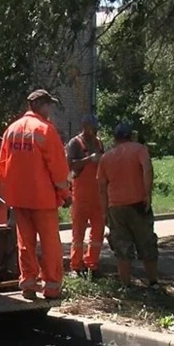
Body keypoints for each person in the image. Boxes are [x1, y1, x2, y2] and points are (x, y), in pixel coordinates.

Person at [0, 89, 71, 300]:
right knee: (50, 244)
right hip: (42, 198)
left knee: (24, 242)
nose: (51, 111)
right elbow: (57, 169)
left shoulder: (11, 130)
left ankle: (28, 284)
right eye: (50, 106)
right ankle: (51, 287)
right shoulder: (45, 130)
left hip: (19, 199)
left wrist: (11, 191)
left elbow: (2, 166)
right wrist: (65, 194)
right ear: (42, 105)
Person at [96, 123, 159, 288]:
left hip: (115, 207)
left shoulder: (106, 157)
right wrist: (148, 194)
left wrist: (104, 213)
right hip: (138, 204)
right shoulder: (139, 149)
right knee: (146, 244)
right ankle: (153, 283)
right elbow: (147, 169)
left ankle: (126, 285)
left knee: (122, 248)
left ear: (115, 138)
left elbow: (102, 188)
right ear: (131, 136)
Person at [66, 113, 105, 277]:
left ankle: (92, 264)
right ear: (84, 126)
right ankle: (76, 265)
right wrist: (89, 159)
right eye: (92, 128)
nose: (95, 131)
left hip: (97, 195)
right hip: (80, 195)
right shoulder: (75, 143)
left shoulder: (98, 143)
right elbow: (70, 164)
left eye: (96, 128)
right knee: (78, 232)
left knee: (98, 231)